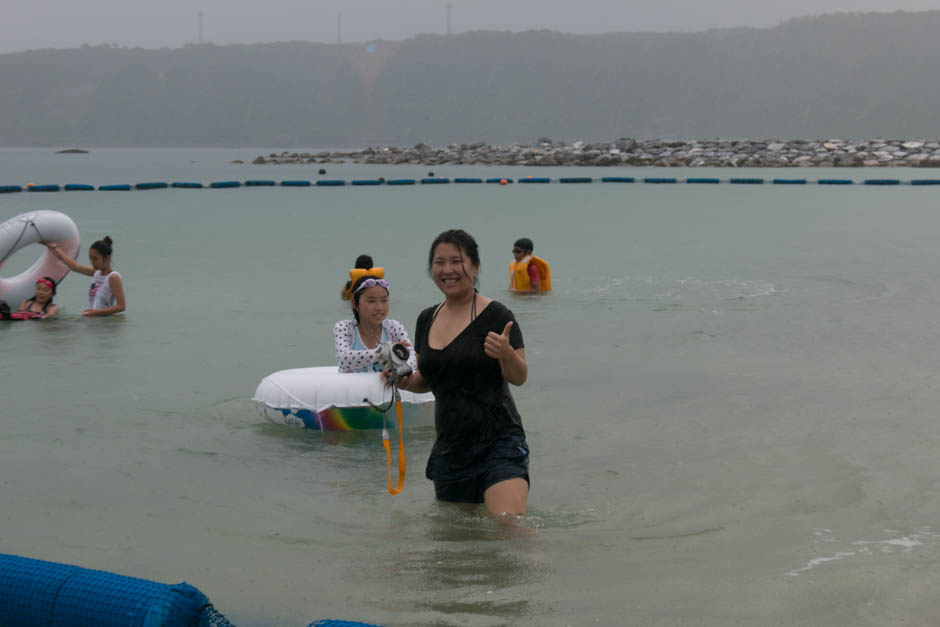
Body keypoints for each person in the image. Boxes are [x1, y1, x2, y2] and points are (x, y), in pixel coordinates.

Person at [396, 229, 530, 516]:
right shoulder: (426, 318)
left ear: (475, 266)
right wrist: (406, 383)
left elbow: (519, 377)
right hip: (450, 449)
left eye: (457, 261)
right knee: (459, 542)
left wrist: (505, 353)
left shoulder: (497, 316)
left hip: (498, 441)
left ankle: (542, 563)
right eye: (439, 262)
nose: (448, 270)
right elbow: (429, 380)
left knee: (508, 526)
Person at [334, 275, 416, 373]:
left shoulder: (394, 327)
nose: (379, 307)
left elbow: (413, 360)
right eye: (371, 301)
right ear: (354, 304)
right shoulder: (344, 328)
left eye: (384, 300)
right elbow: (344, 359)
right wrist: (384, 352)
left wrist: (395, 372)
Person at [45, 236, 126, 317]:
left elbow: (121, 306)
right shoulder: (96, 273)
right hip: (93, 319)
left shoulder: (113, 277)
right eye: (90, 258)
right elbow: (74, 266)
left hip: (104, 322)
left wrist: (97, 312)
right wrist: (55, 248)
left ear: (106, 258)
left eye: (95, 259)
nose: (92, 262)